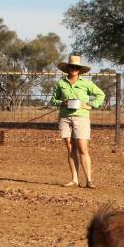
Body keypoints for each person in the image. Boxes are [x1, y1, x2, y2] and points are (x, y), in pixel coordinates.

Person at [49, 54, 106, 188]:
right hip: (65, 117)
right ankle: (74, 179)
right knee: (70, 146)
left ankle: (89, 180)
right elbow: (53, 99)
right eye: (71, 67)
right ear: (67, 68)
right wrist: (61, 102)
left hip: (81, 117)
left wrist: (90, 105)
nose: (73, 69)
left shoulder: (86, 83)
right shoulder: (61, 83)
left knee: (82, 147)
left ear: (79, 70)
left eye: (76, 67)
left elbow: (101, 94)